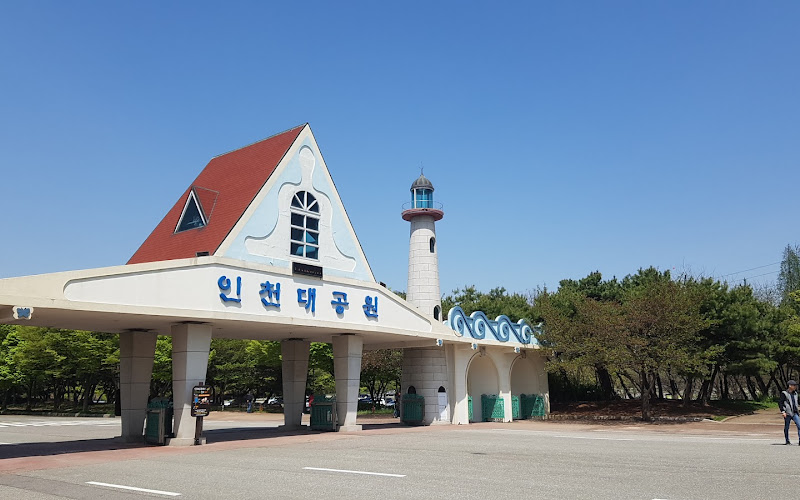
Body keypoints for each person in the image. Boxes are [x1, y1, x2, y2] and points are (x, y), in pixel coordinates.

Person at [780, 380, 800, 445]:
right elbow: (780, 403)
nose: (795, 387)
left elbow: (797, 402)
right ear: (790, 386)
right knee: (787, 427)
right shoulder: (784, 393)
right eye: (794, 385)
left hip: (795, 413)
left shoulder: (795, 394)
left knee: (799, 425)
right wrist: (783, 411)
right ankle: (787, 440)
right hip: (787, 413)